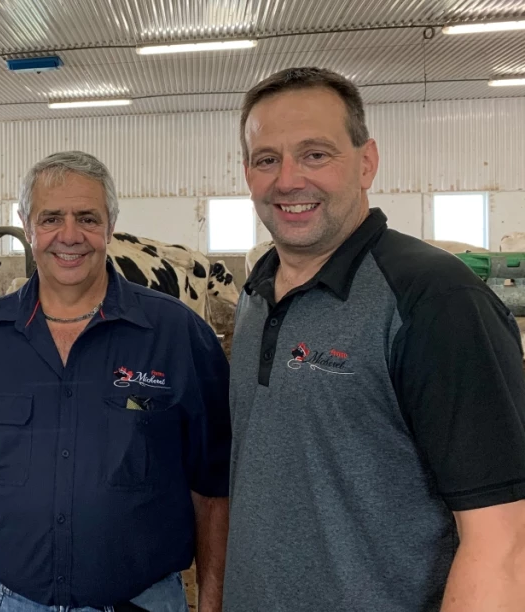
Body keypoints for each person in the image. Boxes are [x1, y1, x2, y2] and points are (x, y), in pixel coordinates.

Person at [225, 66, 525, 611]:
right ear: (247, 173)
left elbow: (503, 541)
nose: (288, 179)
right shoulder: (255, 292)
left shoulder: (434, 300)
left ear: (366, 163)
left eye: (315, 154)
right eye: (267, 159)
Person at [0, 151, 232, 612]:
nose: (69, 235)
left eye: (87, 218)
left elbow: (212, 491)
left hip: (141, 601)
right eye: (51, 218)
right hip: (5, 600)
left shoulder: (179, 336)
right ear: (27, 226)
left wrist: (212, 604)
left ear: (110, 225)